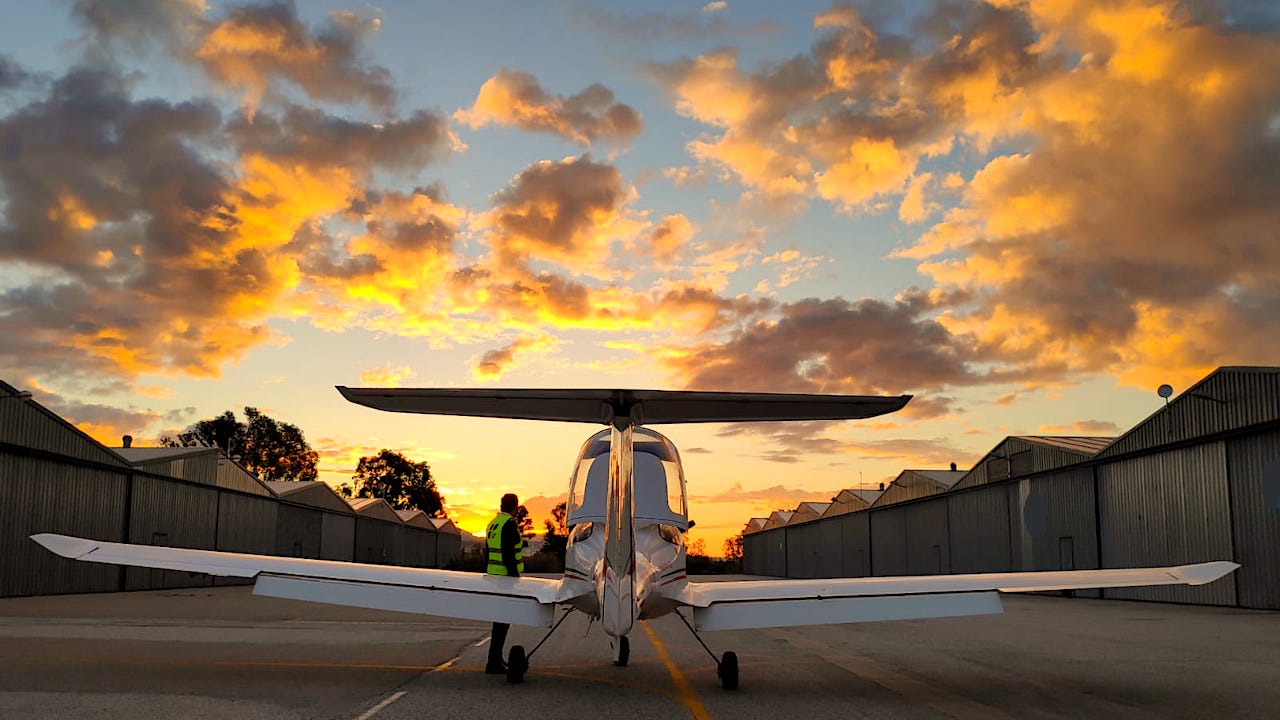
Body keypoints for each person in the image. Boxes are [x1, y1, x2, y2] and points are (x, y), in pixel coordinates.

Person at [484, 493, 524, 674]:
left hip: (493, 576)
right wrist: (515, 577)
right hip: (505, 579)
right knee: (502, 622)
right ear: (515, 507)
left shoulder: (493, 523)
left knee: (498, 621)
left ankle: (494, 659)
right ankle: (493, 662)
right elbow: (508, 553)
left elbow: (488, 551)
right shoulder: (509, 524)